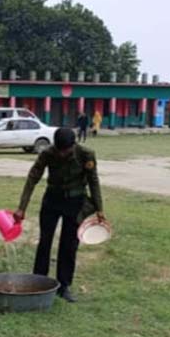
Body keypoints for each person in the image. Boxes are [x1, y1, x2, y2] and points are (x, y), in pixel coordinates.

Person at [13, 128, 105, 303]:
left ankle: (64, 286)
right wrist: (21, 207)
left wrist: (99, 209)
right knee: (45, 241)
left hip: (75, 202)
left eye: (66, 150)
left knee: (69, 244)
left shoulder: (86, 155)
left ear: (73, 145)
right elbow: (33, 177)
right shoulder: (48, 153)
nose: (62, 154)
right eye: (59, 149)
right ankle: (39, 280)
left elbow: (93, 180)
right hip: (52, 200)